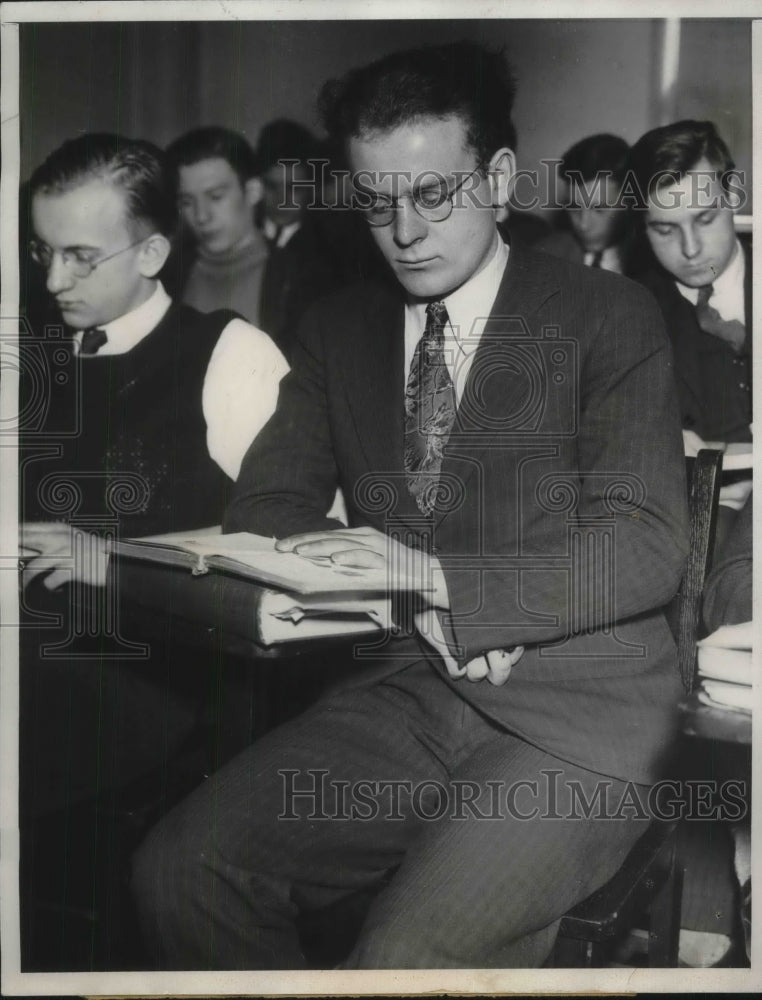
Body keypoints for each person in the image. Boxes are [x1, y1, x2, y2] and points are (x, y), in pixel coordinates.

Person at [133, 42, 689, 970]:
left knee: (399, 960)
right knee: (179, 871)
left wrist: (451, 584)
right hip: (403, 692)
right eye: (378, 201)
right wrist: (399, 591)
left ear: (500, 178)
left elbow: (645, 543)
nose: (404, 230)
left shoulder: (606, 315)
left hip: (579, 717)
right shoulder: (335, 329)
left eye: (433, 195)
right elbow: (266, 507)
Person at [20, 132, 288, 815]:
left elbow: (300, 541)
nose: (54, 281)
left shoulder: (230, 353)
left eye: (80, 258)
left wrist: (113, 557)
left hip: (156, 678)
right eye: (42, 252)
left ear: (152, 253)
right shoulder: (27, 354)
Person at [627, 120, 751, 449]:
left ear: (734, 194)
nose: (691, 249)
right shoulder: (625, 315)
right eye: (665, 230)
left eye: (705, 219)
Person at [255, 119, 343, 359]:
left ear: (312, 188)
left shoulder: (329, 252)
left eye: (294, 188)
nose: (282, 200)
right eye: (272, 187)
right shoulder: (244, 236)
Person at [165, 127, 270, 326]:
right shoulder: (167, 277)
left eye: (215, 197)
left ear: (253, 191)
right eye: (187, 202)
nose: (202, 216)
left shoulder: (298, 279)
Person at [535, 133, 632, 273]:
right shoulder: (545, 255)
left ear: (628, 203)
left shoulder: (653, 269)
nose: (583, 224)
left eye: (598, 209)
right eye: (574, 208)